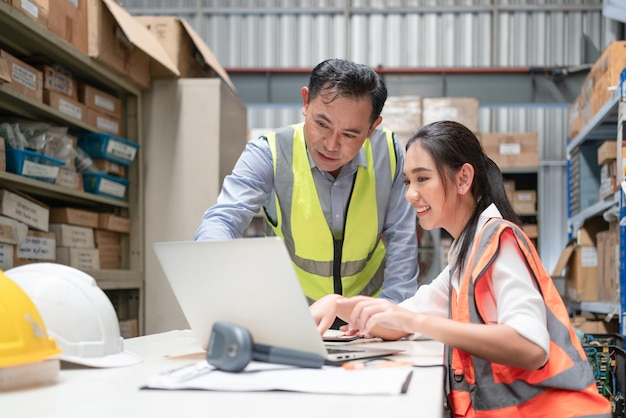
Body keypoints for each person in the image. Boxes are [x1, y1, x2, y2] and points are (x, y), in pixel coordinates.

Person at [311, 120, 611, 417]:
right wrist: (339, 304)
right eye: (407, 182)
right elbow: (399, 321)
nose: (410, 195)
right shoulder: (465, 254)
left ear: (463, 179)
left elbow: (531, 347)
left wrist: (417, 321)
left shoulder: (498, 241)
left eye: (422, 179)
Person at [194, 58, 419, 309]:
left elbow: (402, 237)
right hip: (295, 313)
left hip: (366, 312)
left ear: (371, 128)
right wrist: (211, 268)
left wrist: (393, 310)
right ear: (305, 101)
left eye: (349, 134)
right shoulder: (270, 152)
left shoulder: (388, 153)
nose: (331, 145)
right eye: (321, 124)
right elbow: (223, 219)